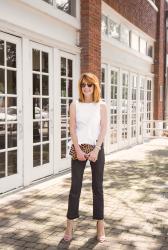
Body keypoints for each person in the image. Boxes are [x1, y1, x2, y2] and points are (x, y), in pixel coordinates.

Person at [64, 72, 107, 243]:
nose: (86, 88)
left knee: (98, 187)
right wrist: (77, 149)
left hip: (96, 147)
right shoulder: (75, 104)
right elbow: (72, 128)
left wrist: (97, 149)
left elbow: (103, 128)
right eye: (83, 85)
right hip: (78, 147)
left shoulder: (102, 105)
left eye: (89, 85)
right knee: (75, 187)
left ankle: (100, 224)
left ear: (95, 86)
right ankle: (69, 223)